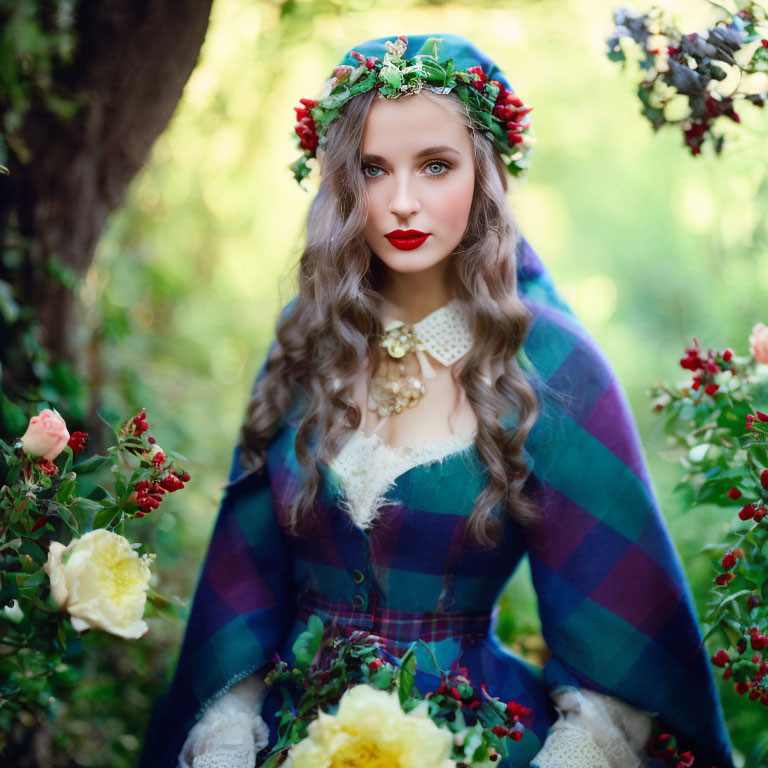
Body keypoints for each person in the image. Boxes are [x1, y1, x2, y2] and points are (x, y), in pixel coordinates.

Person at [136, 33, 735, 768]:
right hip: (291, 739)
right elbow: (243, 574)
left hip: (471, 736)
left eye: (437, 166)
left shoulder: (552, 362)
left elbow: (622, 633)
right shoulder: (307, 337)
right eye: (373, 169)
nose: (403, 202)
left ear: (486, 175)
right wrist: (229, 730)